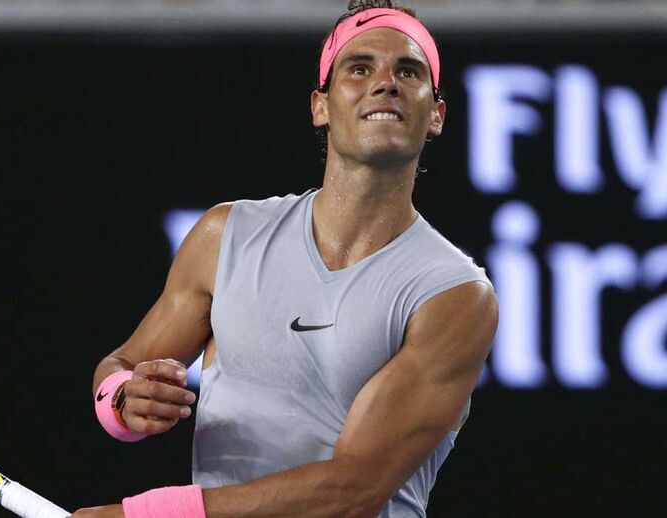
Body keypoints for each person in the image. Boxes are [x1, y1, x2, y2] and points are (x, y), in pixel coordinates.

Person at [74, 1, 498, 516]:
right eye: (359, 68)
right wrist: (124, 400)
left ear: (436, 115)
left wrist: (147, 515)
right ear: (321, 106)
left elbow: (353, 492)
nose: (385, 83)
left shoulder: (455, 295)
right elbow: (120, 366)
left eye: (408, 72)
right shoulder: (224, 237)